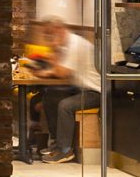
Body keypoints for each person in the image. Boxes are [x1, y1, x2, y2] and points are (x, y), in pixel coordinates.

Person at [33, 17, 100, 163]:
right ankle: (57, 143)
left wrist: (54, 48)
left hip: (95, 91)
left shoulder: (75, 44)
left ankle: (65, 151)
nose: (48, 37)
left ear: (59, 30)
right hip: (80, 88)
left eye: (49, 33)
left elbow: (62, 72)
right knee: (51, 97)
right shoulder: (67, 44)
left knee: (65, 106)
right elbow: (58, 69)